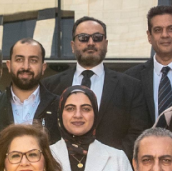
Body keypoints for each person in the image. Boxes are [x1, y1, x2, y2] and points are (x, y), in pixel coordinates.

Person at [42, 17, 141, 153]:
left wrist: (112, 161)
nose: (90, 43)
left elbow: (137, 133)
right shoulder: (50, 85)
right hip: (61, 168)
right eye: (83, 38)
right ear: (72, 45)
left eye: (97, 38)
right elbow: (46, 131)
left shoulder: (131, 87)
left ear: (106, 44)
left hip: (112, 169)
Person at [0, 38, 57, 139]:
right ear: (9, 65)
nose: (25, 67)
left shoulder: (59, 107)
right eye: (19, 59)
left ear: (43, 67)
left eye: (33, 60)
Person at [128, 6, 172, 128]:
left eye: (171, 29)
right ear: (149, 36)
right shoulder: (130, 78)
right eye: (158, 30)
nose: (165, 35)